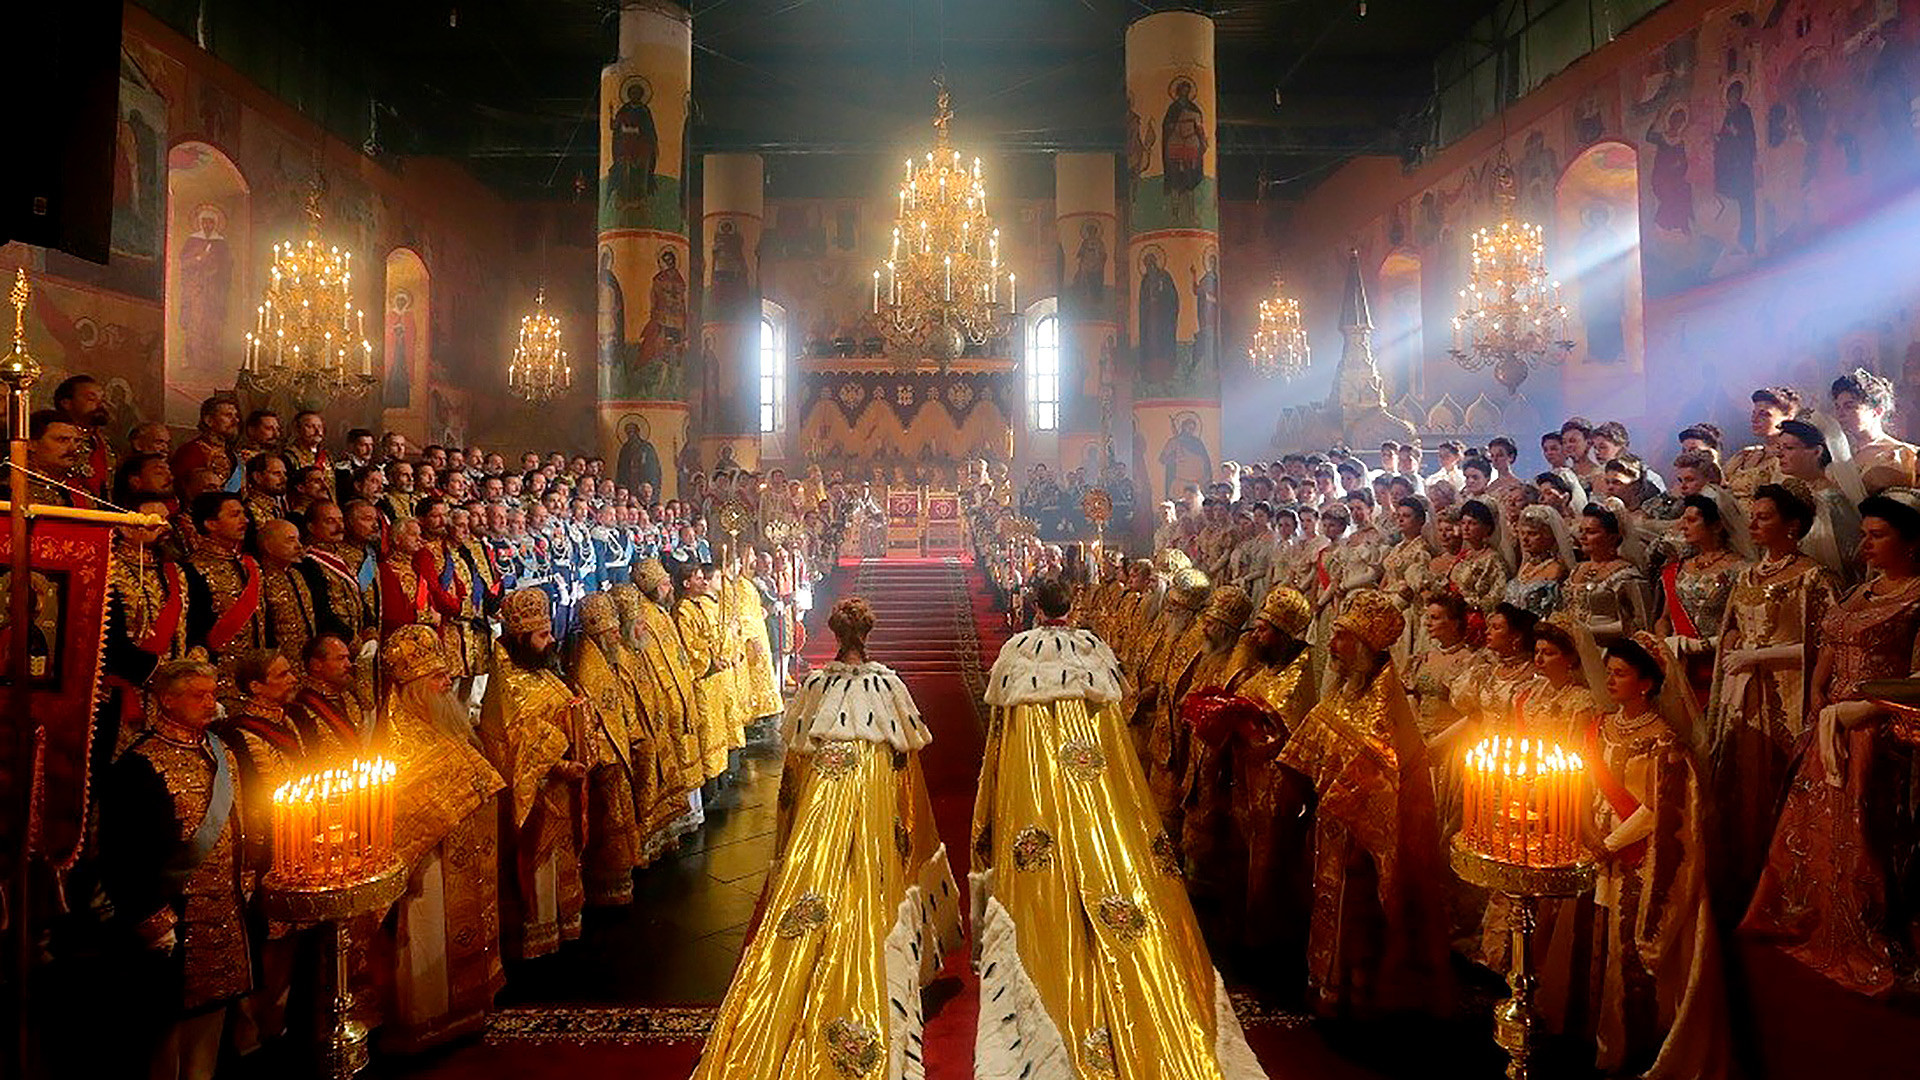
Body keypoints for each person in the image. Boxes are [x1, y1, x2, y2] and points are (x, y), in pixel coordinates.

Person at [971, 577, 1265, 1077]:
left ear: (1037, 609)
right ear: (1068, 606)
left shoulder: (1018, 654)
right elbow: (1115, 727)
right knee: (1100, 856)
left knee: (1049, 861)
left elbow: (1002, 735)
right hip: (1095, 790)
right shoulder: (1093, 650)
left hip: (1037, 784)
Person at [691, 597, 960, 1079]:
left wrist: (787, 838)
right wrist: (908, 838)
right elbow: (907, 774)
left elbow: (793, 772)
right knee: (868, 876)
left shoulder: (815, 686)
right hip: (873, 795)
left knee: (814, 880)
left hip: (822, 800)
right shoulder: (888, 686)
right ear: (868, 635)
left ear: (836, 636)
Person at [1742, 489, 1920, 998]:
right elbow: (1830, 642)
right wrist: (1820, 694)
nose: (1864, 546)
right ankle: (1811, 916)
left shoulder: (1916, 596)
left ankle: (1860, 929)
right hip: (1829, 725)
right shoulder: (1860, 592)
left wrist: (1864, 709)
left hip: (1879, 731)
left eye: (1877, 535)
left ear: (1911, 542)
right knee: (1811, 829)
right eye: (1863, 535)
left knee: (1866, 835)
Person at [1278, 588, 1452, 1018]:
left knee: (1358, 921)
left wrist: (1344, 806)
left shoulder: (1384, 710)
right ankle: (1326, 987)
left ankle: (1359, 1000)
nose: (1332, 647)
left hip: (1364, 841)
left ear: (1363, 646)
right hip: (1329, 830)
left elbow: (1383, 781)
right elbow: (1312, 738)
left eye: (1341, 638)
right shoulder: (1344, 691)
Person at [98, 660, 251, 1080]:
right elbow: (120, 852)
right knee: (164, 1040)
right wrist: (150, 918)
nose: (210, 703)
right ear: (167, 699)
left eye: (213, 694)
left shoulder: (220, 752)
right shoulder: (138, 765)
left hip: (224, 913)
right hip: (171, 923)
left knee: (212, 1027)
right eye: (198, 695)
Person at [1584, 636, 1727, 1080]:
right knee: (1598, 946)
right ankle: (1597, 1038)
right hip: (1598, 845)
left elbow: (1663, 809)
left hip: (1640, 855)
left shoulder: (1664, 741)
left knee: (1630, 952)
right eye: (1609, 672)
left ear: (1646, 684)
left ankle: (1636, 1047)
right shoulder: (1602, 726)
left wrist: (1610, 843)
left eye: (1621, 673)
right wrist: (1586, 829)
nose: (1610, 680)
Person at [1705, 480, 1837, 922]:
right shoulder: (1746, 575)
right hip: (1746, 695)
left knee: (1780, 786)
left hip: (1788, 692)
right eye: (1753, 516)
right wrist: (1734, 647)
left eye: (1765, 517)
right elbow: (1733, 627)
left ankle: (1782, 890)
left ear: (1793, 526)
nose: (1754, 524)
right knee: (1738, 788)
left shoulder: (1813, 577)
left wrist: (1758, 654)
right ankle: (1740, 885)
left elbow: (1827, 645)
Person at [377, 624, 508, 1051]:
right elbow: (405, 817)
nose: (447, 682)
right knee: (429, 934)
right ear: (413, 687)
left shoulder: (442, 725)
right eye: (437, 678)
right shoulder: (399, 743)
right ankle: (429, 1021)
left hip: (464, 857)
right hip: (430, 868)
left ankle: (469, 1009)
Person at [478, 587, 587, 960]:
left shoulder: (541, 671)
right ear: (522, 637)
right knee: (540, 865)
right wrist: (559, 764)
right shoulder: (507, 683)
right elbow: (518, 740)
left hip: (561, 786)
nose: (552, 639)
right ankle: (539, 934)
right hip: (538, 791)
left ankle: (562, 921)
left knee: (563, 860)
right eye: (543, 634)